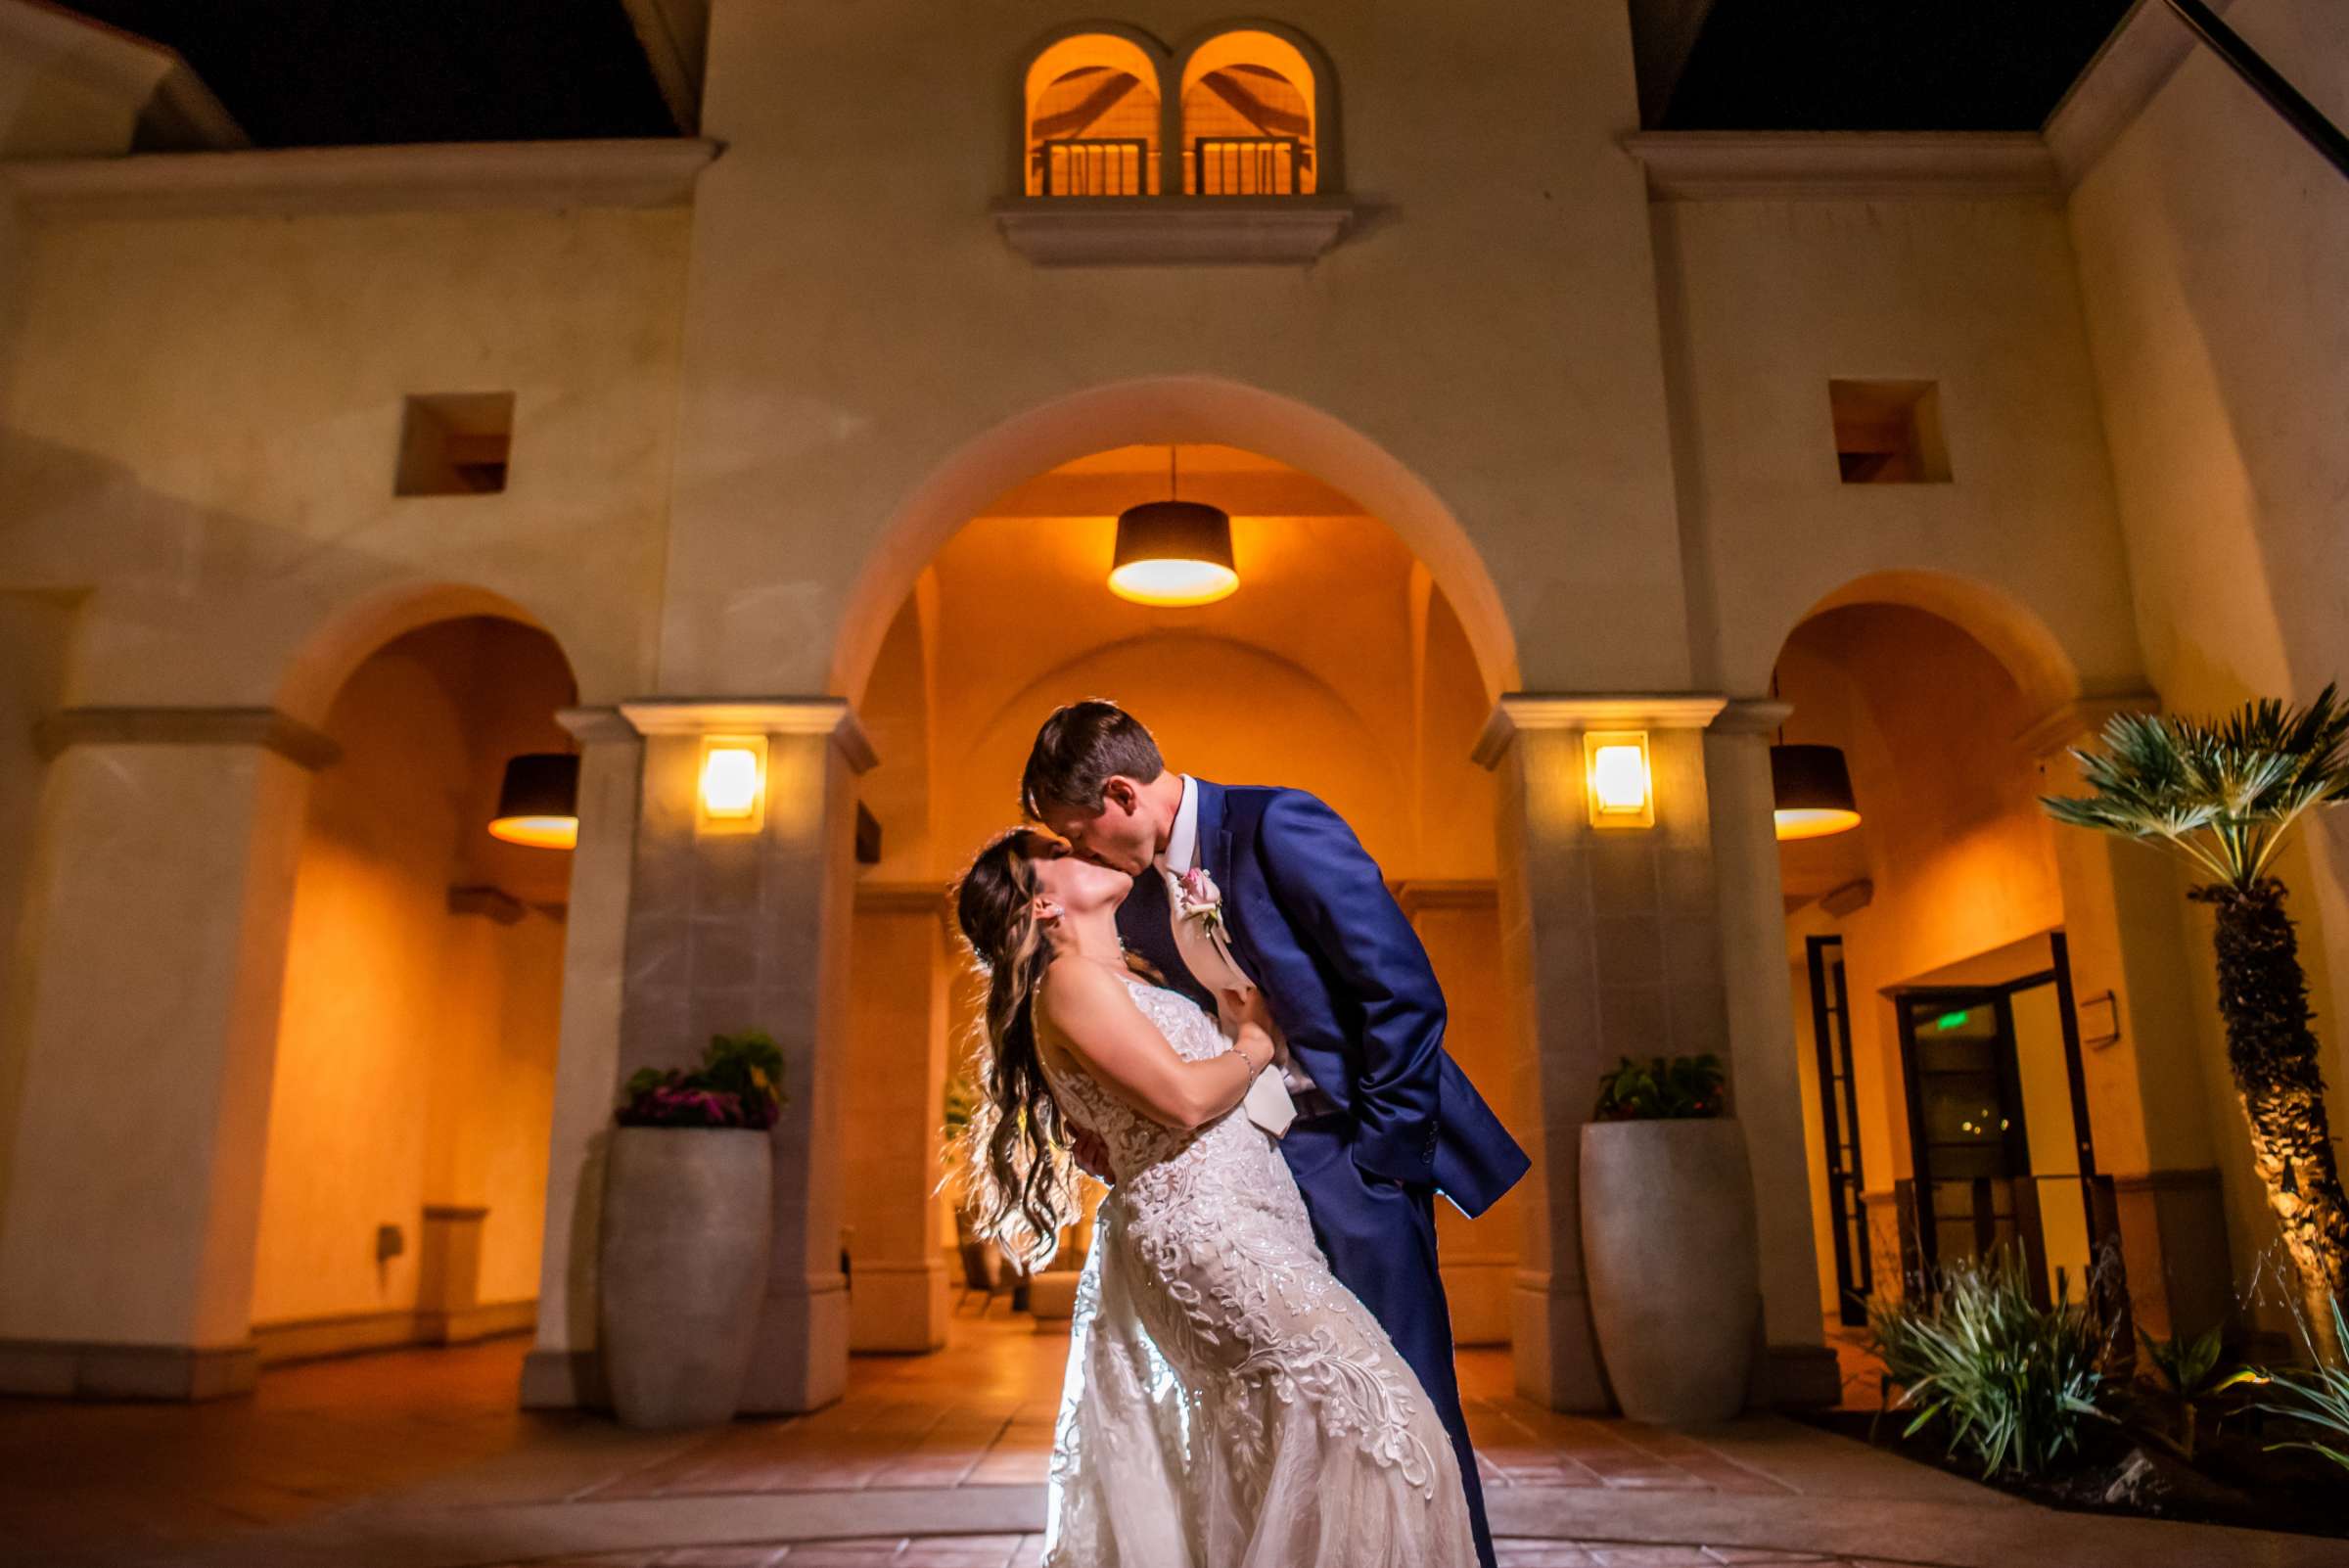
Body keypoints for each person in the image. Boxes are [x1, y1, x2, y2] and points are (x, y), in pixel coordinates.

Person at [1020, 699, 1530, 1568]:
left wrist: (1383, 1163)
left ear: (1120, 795)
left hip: (1349, 1156)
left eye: (1081, 832)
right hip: (1244, 1179)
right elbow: (1146, 1040)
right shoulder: (1134, 904)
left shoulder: (1277, 826)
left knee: (1409, 1404)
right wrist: (1104, 1119)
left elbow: (1401, 993)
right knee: (1301, 1424)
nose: (1083, 854)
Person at [954, 825, 1480, 1566]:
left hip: (1250, 1221)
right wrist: (1252, 1045)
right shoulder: (1070, 982)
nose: (1086, 851)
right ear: (1043, 904)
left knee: (1290, 1446)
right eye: (1063, 853)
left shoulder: (1127, 974)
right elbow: (1185, 1101)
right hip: (1207, 1238)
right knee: (1384, 1427)